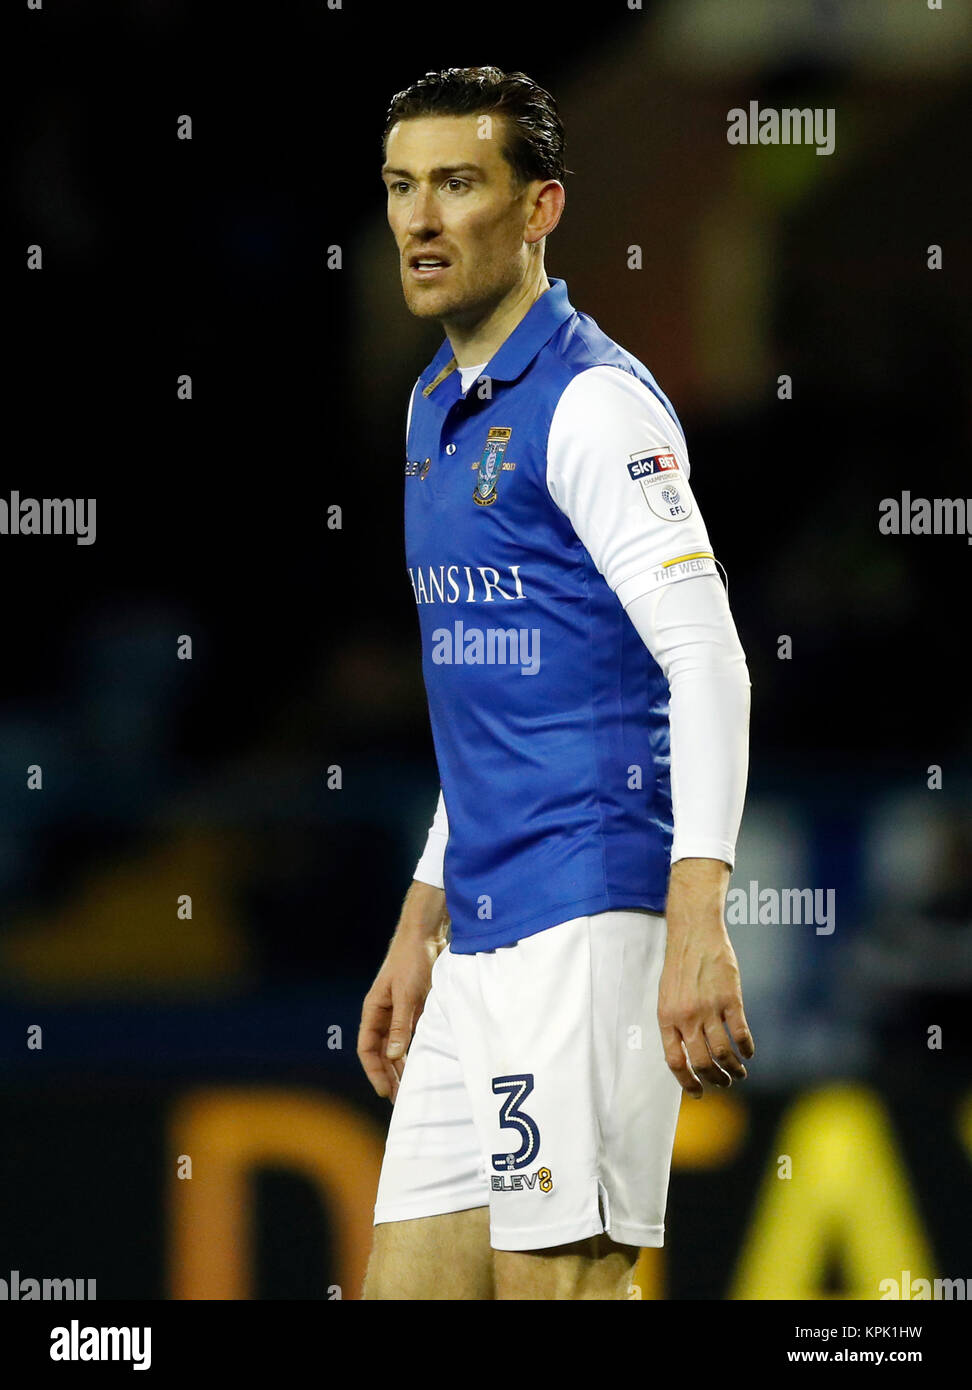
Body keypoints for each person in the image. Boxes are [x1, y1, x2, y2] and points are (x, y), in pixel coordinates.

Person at [357, 65, 754, 1301]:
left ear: (540, 211)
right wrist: (425, 912)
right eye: (401, 188)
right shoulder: (433, 406)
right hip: (478, 932)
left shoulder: (591, 403)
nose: (422, 220)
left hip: (586, 921)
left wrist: (699, 915)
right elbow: (496, 706)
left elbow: (708, 656)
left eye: (459, 185)